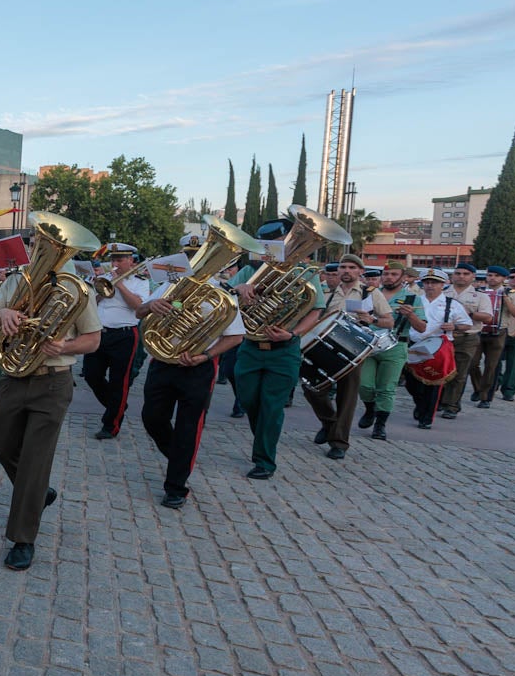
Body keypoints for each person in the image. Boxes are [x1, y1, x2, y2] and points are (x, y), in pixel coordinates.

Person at [0, 252, 102, 570]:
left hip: (53, 384)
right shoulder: (18, 280)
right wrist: (3, 313)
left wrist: (66, 347)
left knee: (34, 460)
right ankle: (37, 492)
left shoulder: (76, 289)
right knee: (3, 447)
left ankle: (23, 539)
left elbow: (93, 339)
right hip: (13, 377)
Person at [230, 217, 325, 480]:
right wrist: (240, 288)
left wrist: (293, 333)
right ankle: (263, 441)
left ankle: (264, 460)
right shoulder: (250, 270)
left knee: (271, 406)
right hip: (250, 346)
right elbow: (225, 293)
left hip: (284, 350)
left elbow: (316, 309)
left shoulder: (304, 273)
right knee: (249, 400)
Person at [137, 289, 246, 508]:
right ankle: (180, 458)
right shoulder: (171, 287)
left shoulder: (223, 296)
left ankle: (176, 487)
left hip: (198, 368)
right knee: (152, 418)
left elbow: (235, 336)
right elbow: (139, 312)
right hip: (162, 361)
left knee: (188, 427)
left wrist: (205, 355)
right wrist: (150, 306)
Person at [304, 254, 391, 459]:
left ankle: (339, 442)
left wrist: (372, 319)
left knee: (347, 396)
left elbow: (389, 322)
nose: (346, 271)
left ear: (360, 271)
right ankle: (329, 423)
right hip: (325, 347)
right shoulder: (327, 292)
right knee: (311, 388)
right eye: (343, 267)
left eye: (352, 267)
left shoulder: (370, 293)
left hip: (354, 349)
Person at [82, 243, 150, 440]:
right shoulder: (104, 278)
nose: (115, 264)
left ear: (131, 261)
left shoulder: (140, 281)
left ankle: (111, 425)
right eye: (113, 260)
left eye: (120, 260)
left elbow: (138, 307)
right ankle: (117, 405)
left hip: (125, 335)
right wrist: (99, 290)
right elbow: (89, 304)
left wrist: (119, 285)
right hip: (100, 333)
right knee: (91, 375)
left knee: (120, 382)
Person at [357, 262, 424, 440]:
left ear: (403, 278)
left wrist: (411, 315)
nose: (389, 278)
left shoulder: (412, 298)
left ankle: (380, 425)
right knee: (364, 384)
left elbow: (422, 327)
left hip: (395, 345)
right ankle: (370, 409)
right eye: (386, 274)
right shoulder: (369, 295)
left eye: (394, 274)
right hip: (369, 343)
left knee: (387, 388)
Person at [406, 271, 471, 428]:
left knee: (434, 382)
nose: (430, 285)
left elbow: (467, 324)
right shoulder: (414, 300)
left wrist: (454, 326)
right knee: (411, 382)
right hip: (414, 343)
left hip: (438, 347)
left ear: (443, 285)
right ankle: (420, 404)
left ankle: (426, 418)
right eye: (427, 282)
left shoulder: (451, 304)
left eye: (434, 282)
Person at [438, 263, 490, 419]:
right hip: (443, 336)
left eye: (466, 274)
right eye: (458, 273)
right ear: (452, 275)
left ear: (472, 276)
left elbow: (487, 317)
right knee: (440, 370)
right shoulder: (443, 293)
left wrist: (468, 313)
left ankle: (452, 405)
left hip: (466, 337)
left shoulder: (480, 296)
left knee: (459, 373)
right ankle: (439, 400)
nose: (461, 276)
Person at [470, 266, 509, 407]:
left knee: (491, 366)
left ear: (504, 278)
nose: (492, 278)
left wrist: (507, 299)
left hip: (499, 332)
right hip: (480, 330)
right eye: (490, 275)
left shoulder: (510, 293)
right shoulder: (479, 292)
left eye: (497, 276)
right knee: (472, 363)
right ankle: (478, 388)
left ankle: (485, 397)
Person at [496, 268, 515, 402]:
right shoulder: (502, 292)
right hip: (501, 329)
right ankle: (495, 382)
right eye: (512, 277)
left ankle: (509, 390)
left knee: (514, 363)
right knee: (495, 359)